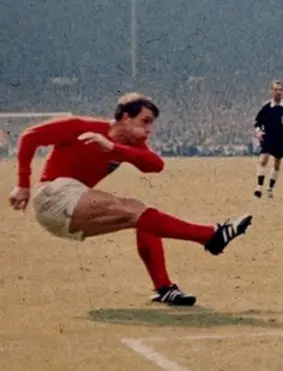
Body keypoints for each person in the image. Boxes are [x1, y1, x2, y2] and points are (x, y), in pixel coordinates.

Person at [8, 93, 253, 306]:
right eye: (144, 121)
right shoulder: (83, 126)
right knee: (136, 209)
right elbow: (29, 137)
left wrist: (113, 149)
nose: (149, 130)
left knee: (143, 216)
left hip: (69, 217)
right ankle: (211, 235)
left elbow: (156, 165)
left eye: (152, 124)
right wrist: (22, 184)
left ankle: (165, 288)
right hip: (54, 195)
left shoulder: (132, 144)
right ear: (125, 117)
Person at [253, 80, 283, 198]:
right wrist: (258, 132)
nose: (278, 92)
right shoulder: (267, 107)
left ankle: (270, 188)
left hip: (282, 138)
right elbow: (258, 122)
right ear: (271, 91)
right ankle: (259, 187)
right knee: (264, 159)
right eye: (275, 90)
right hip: (268, 136)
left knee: (277, 163)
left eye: (280, 90)